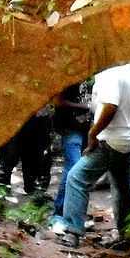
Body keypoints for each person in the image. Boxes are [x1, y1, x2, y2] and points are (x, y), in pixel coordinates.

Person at [60, 64, 130, 246]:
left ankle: (72, 231)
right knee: (123, 187)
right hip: (127, 137)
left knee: (76, 178)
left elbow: (110, 106)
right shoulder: (128, 68)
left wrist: (93, 133)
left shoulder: (109, 74)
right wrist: (128, 108)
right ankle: (129, 235)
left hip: (110, 138)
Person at [51, 79, 92, 221]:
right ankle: (60, 212)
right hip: (70, 128)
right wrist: (84, 106)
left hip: (85, 128)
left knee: (81, 170)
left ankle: (76, 211)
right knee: (73, 168)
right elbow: (57, 101)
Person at [0, 105, 52, 195]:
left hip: (36, 120)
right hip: (12, 116)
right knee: (7, 160)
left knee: (34, 161)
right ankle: (1, 193)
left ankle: (34, 192)